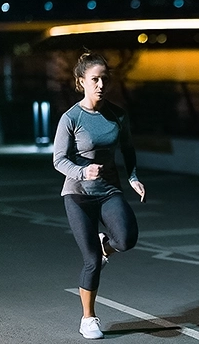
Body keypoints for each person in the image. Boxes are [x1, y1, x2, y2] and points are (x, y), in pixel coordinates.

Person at [53, 51, 146, 340]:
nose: (101, 85)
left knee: (127, 239)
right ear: (81, 82)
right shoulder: (71, 117)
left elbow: (128, 149)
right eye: (95, 79)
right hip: (78, 195)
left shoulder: (117, 115)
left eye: (105, 79)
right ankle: (88, 317)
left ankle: (108, 246)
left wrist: (133, 177)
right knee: (91, 260)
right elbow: (59, 160)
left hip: (108, 191)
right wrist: (82, 172)